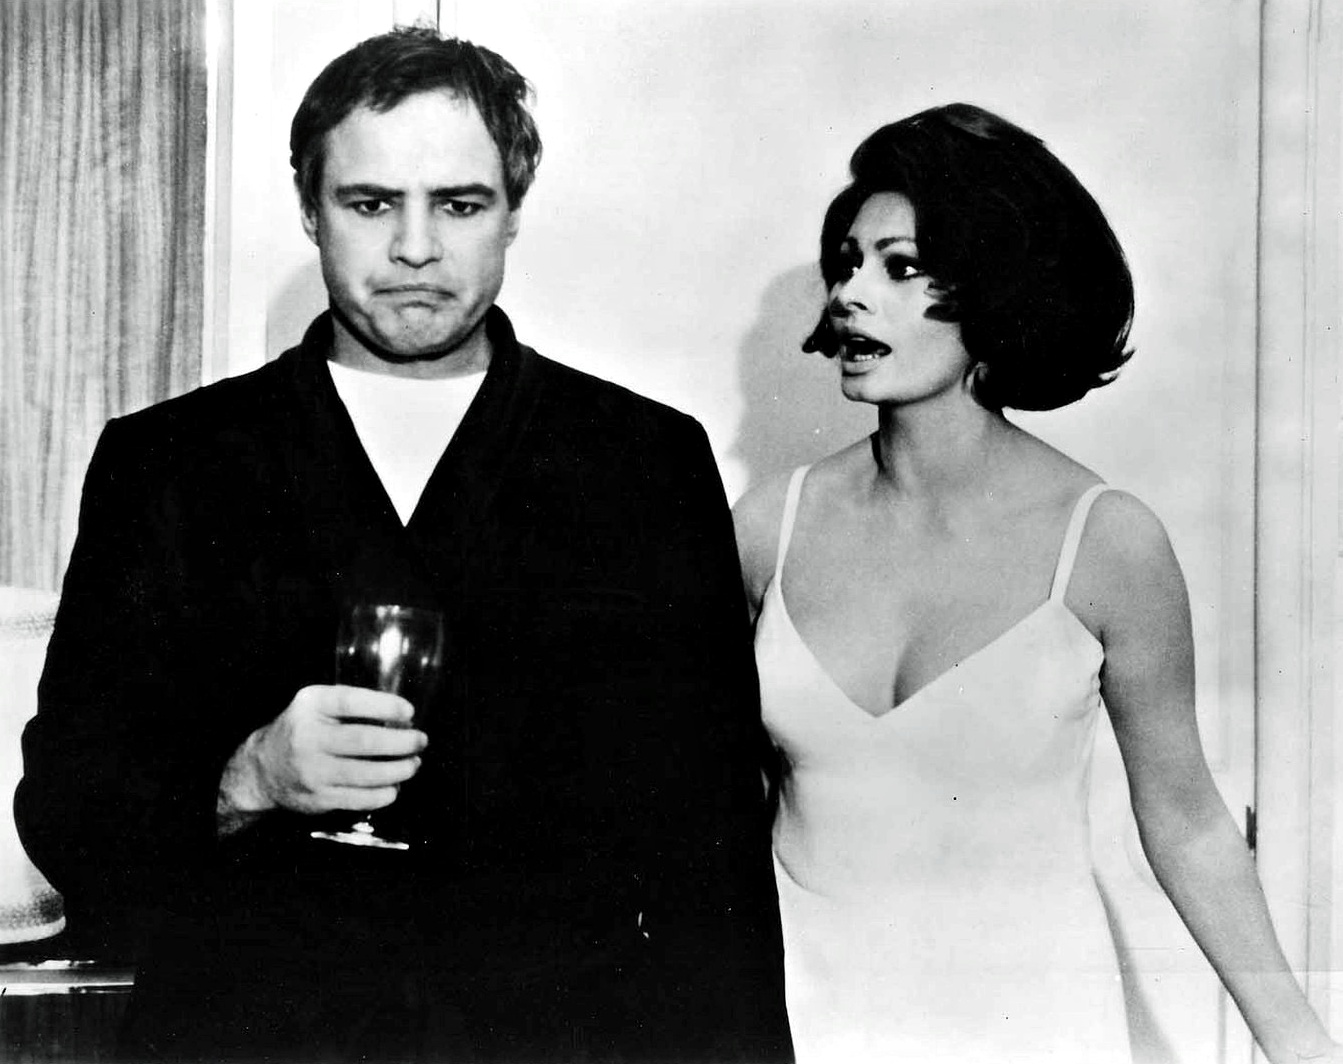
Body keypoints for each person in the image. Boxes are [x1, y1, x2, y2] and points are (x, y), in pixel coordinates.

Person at [17, 26, 791, 1064]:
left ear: (513, 211)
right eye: (371, 203)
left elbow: (717, 856)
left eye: (459, 205)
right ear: (309, 207)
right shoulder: (170, 462)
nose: (415, 248)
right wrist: (247, 776)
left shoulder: (641, 462)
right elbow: (66, 808)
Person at [734, 103, 1343, 1064]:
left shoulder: (1106, 542)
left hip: (1032, 1028)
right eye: (845, 264)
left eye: (900, 268)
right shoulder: (767, 529)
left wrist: (1302, 1046)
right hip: (798, 1021)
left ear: (997, 288)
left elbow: (1187, 822)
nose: (849, 295)